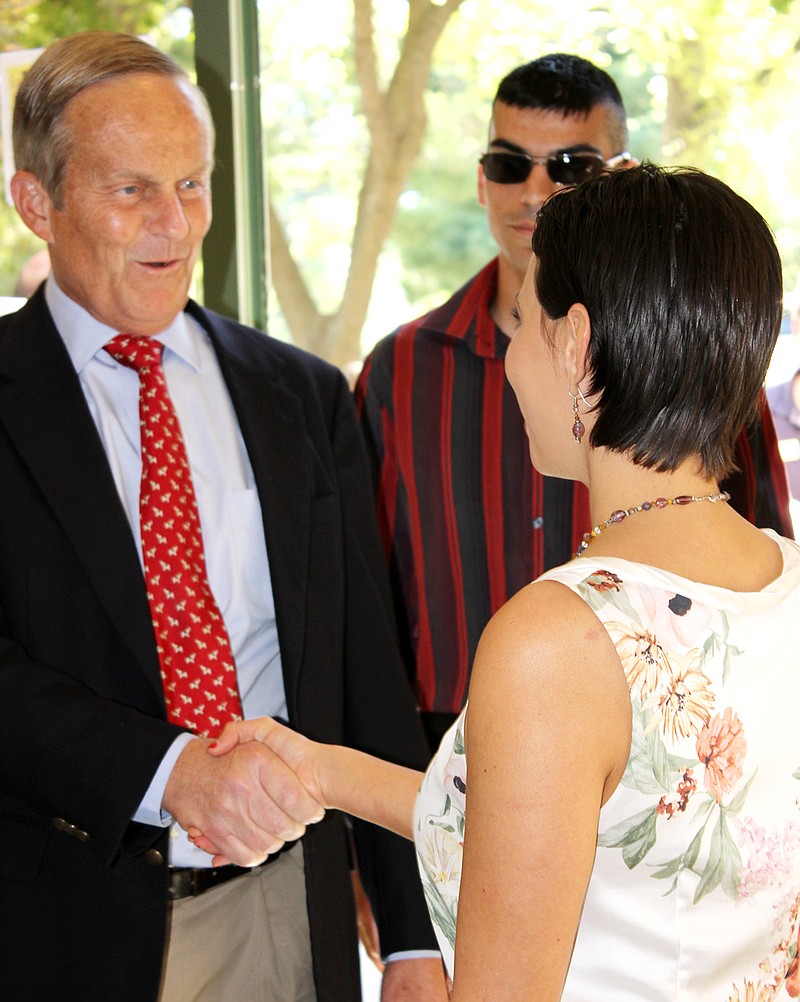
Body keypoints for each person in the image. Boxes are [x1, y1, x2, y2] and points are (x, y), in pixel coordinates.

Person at [206, 163, 800, 1000]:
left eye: (523, 320)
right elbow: (570, 833)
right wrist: (325, 773)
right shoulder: (782, 576)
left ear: (575, 343)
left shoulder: (562, 636)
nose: (511, 357)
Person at [0, 31, 446, 1002]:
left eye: (193, 184)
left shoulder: (302, 394)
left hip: (285, 910)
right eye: (132, 191)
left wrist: (412, 935)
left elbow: (363, 666)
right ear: (38, 201)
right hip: (58, 923)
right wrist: (169, 772)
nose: (175, 224)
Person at [355, 54, 793, 752]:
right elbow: (369, 587)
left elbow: (760, 549)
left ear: (616, 181)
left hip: (665, 733)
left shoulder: (696, 368)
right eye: (508, 164)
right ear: (479, 178)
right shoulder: (399, 369)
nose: (536, 192)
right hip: (443, 738)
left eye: (569, 166)